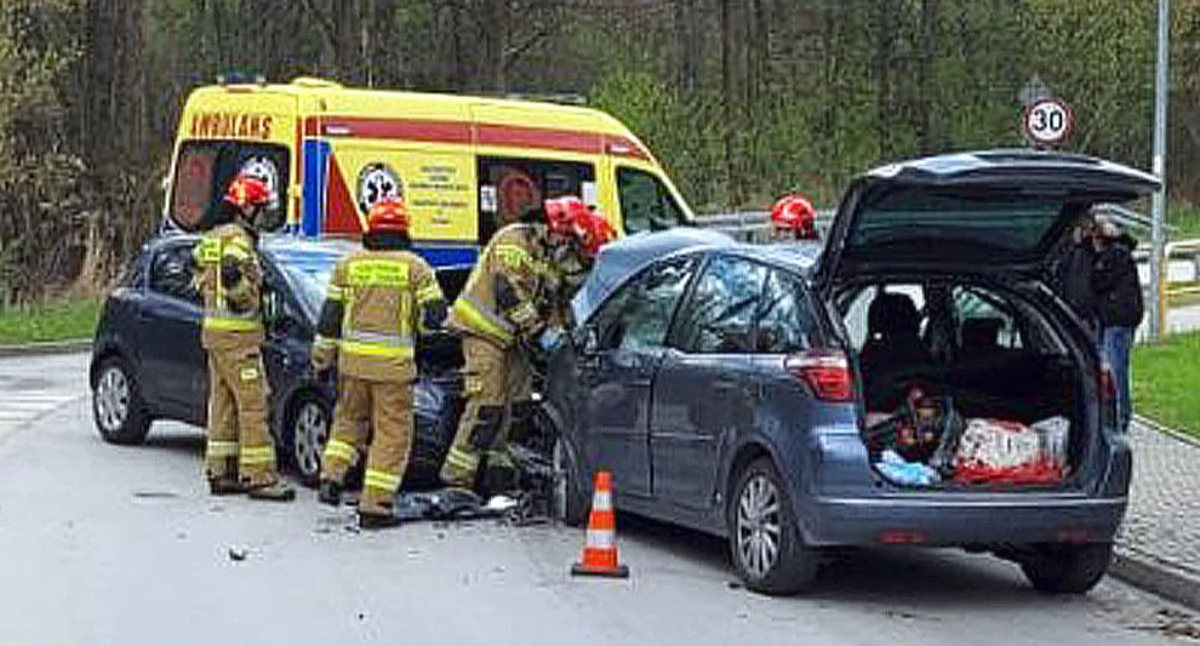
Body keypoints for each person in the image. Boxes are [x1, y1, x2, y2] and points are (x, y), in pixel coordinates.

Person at [311, 196, 447, 529]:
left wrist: (322, 358)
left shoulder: (349, 265)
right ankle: (376, 505)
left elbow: (329, 318)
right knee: (391, 435)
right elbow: (434, 318)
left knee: (348, 425)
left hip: (352, 365)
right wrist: (427, 332)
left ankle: (330, 476)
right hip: (393, 370)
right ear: (404, 230)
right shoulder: (416, 267)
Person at [438, 203, 570, 493]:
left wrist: (559, 332)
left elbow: (552, 299)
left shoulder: (545, 253)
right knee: (487, 406)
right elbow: (506, 289)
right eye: (565, 237)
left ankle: (500, 478)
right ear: (549, 228)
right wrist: (538, 331)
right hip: (482, 333)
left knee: (518, 406)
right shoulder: (514, 240)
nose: (565, 244)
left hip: (512, 339)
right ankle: (457, 480)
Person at [192, 174, 295, 501]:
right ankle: (260, 477)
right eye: (260, 209)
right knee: (253, 403)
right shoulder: (238, 240)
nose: (262, 217)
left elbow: (192, 270)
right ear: (246, 207)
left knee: (222, 404)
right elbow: (233, 271)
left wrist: (211, 293)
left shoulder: (212, 238)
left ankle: (220, 471)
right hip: (238, 338)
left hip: (214, 336)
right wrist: (245, 298)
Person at [1091, 215, 1144, 432]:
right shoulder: (1120, 252)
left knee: (1115, 370)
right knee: (1115, 368)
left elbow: (1098, 281)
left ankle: (1120, 418)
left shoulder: (1114, 255)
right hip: (1119, 317)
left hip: (1117, 319)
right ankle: (1119, 416)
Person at [1050, 212, 1099, 336]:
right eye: (1087, 229)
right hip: (1072, 307)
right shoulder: (1066, 249)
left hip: (1086, 311)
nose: (1090, 233)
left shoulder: (1092, 251)